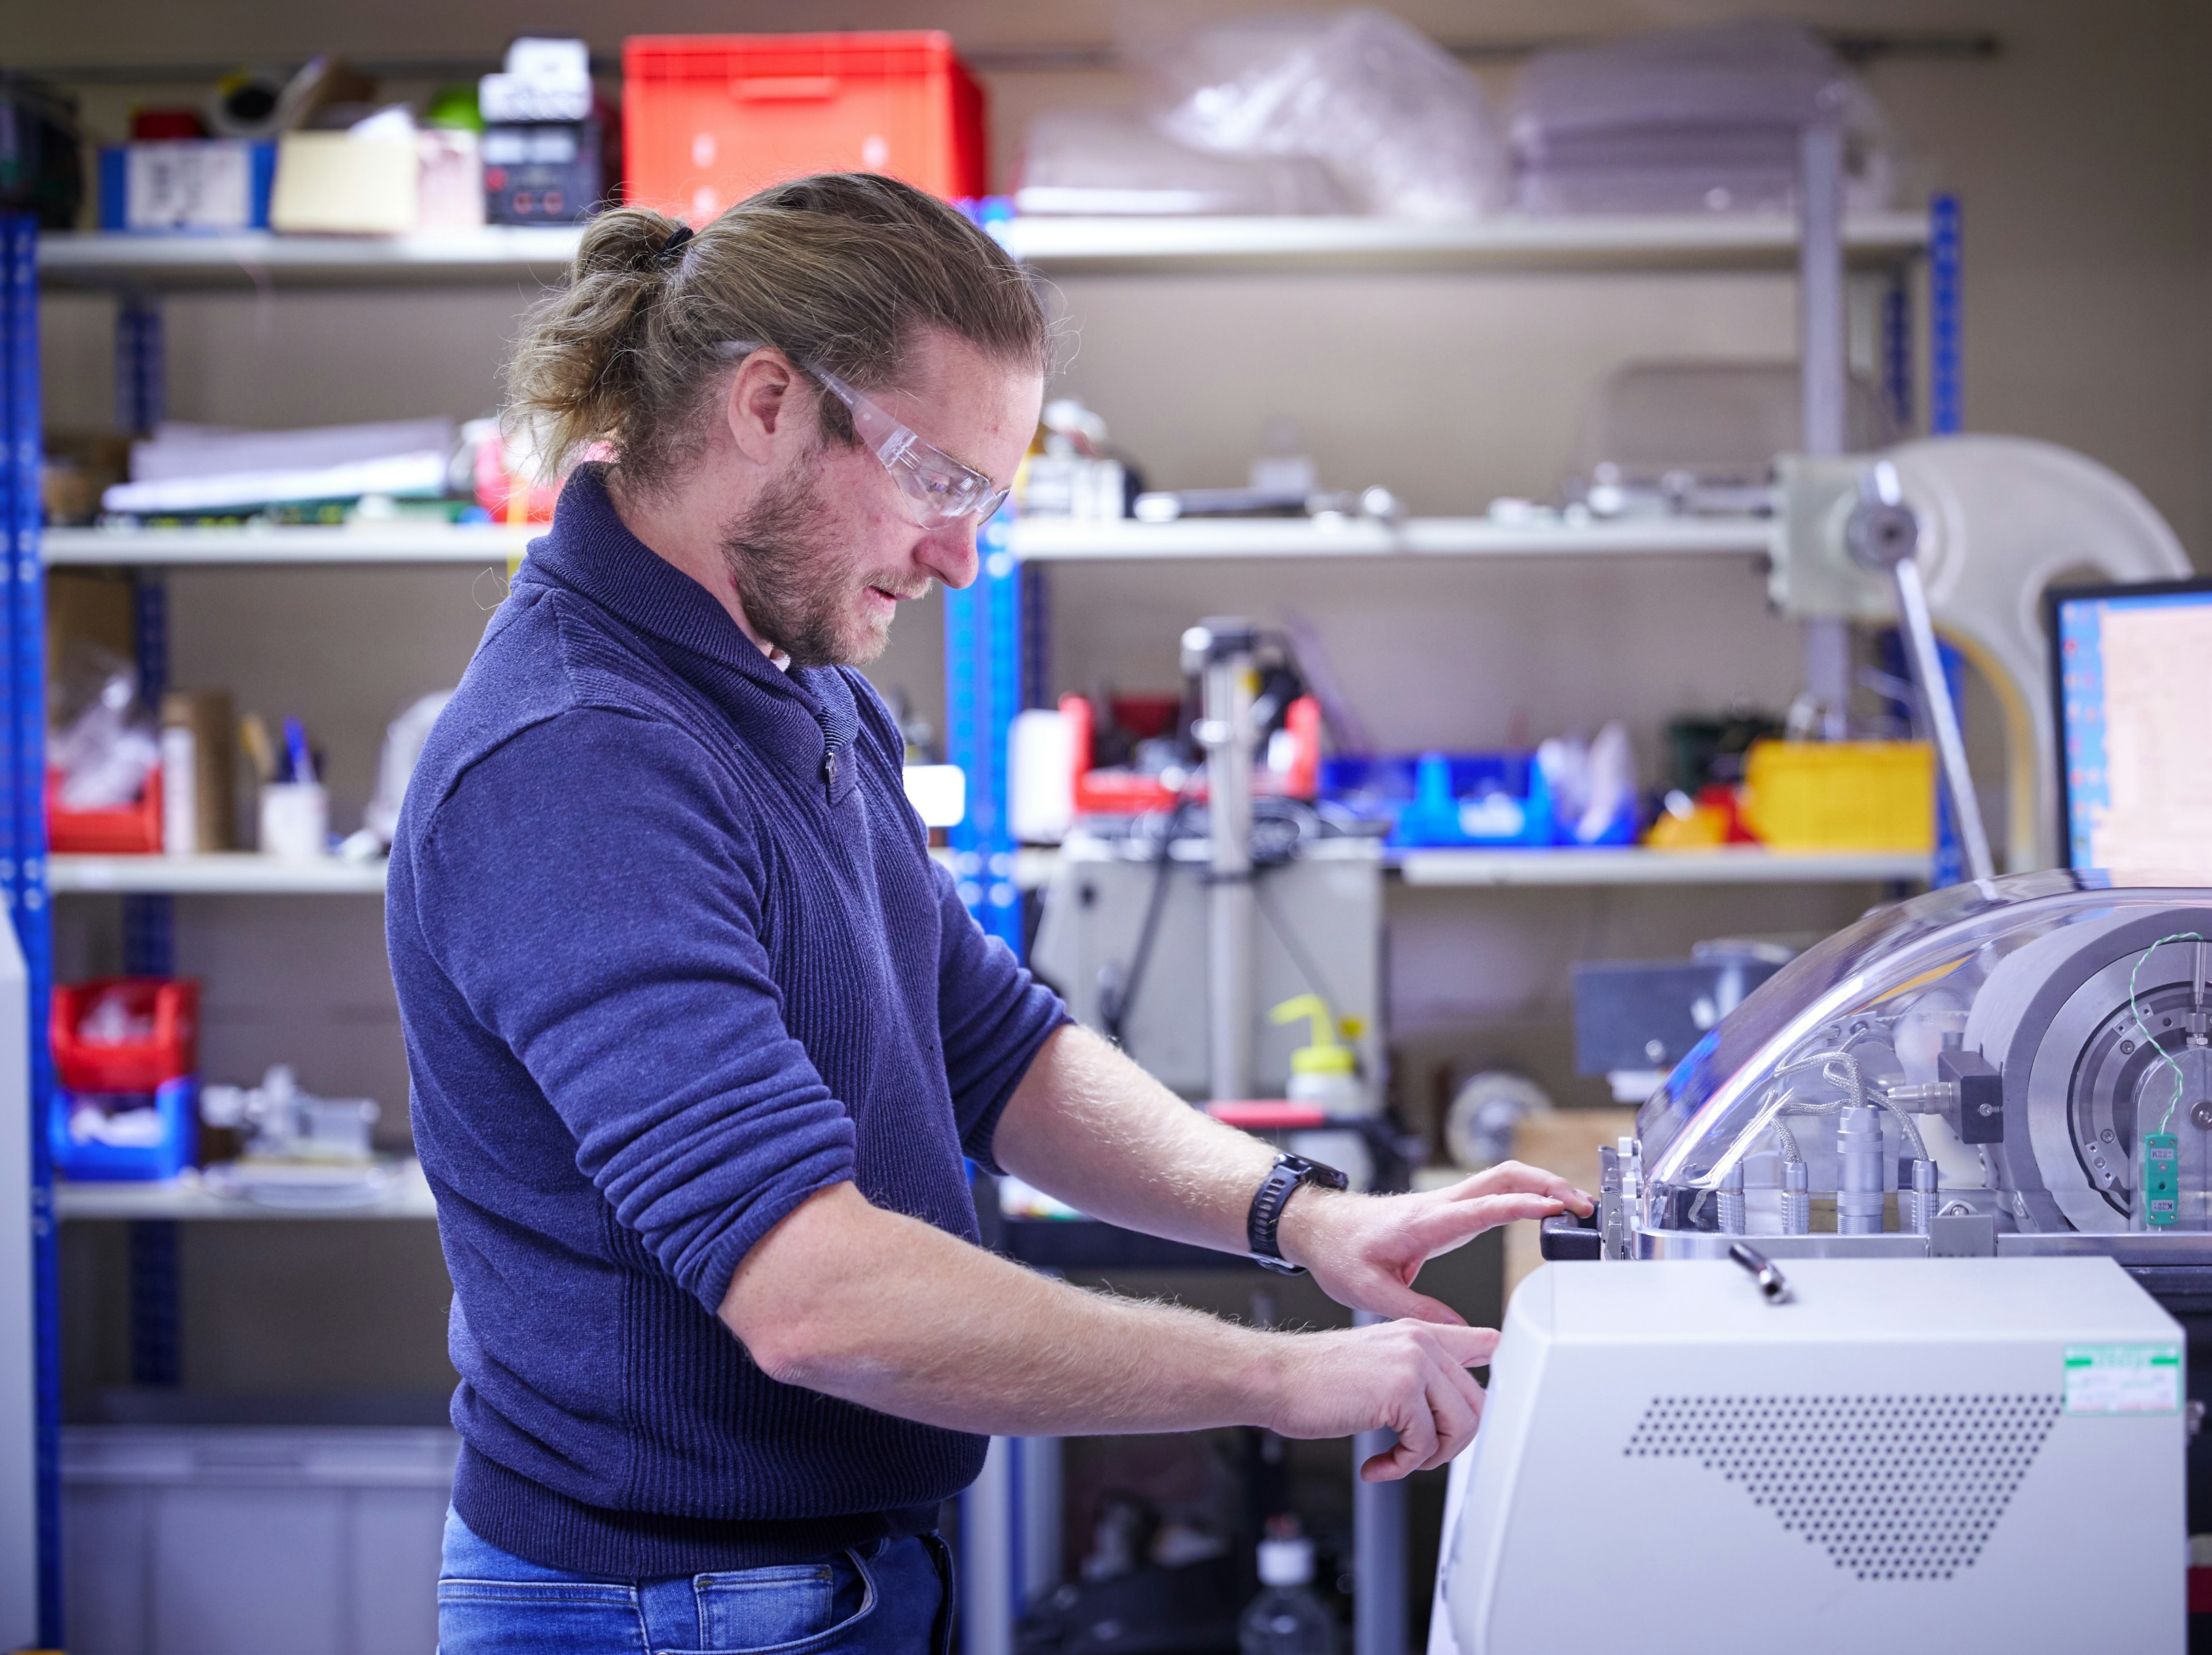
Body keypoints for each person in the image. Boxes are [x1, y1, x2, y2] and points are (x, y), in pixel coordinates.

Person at [386, 172, 1590, 1655]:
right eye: (937, 480)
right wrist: (1285, 1378)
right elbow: (816, 1295)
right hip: (667, 1607)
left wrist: (1304, 1217)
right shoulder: (578, 759)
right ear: (767, 402)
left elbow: (986, 1041)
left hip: (832, 1576)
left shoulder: (791, 681)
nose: (961, 554)